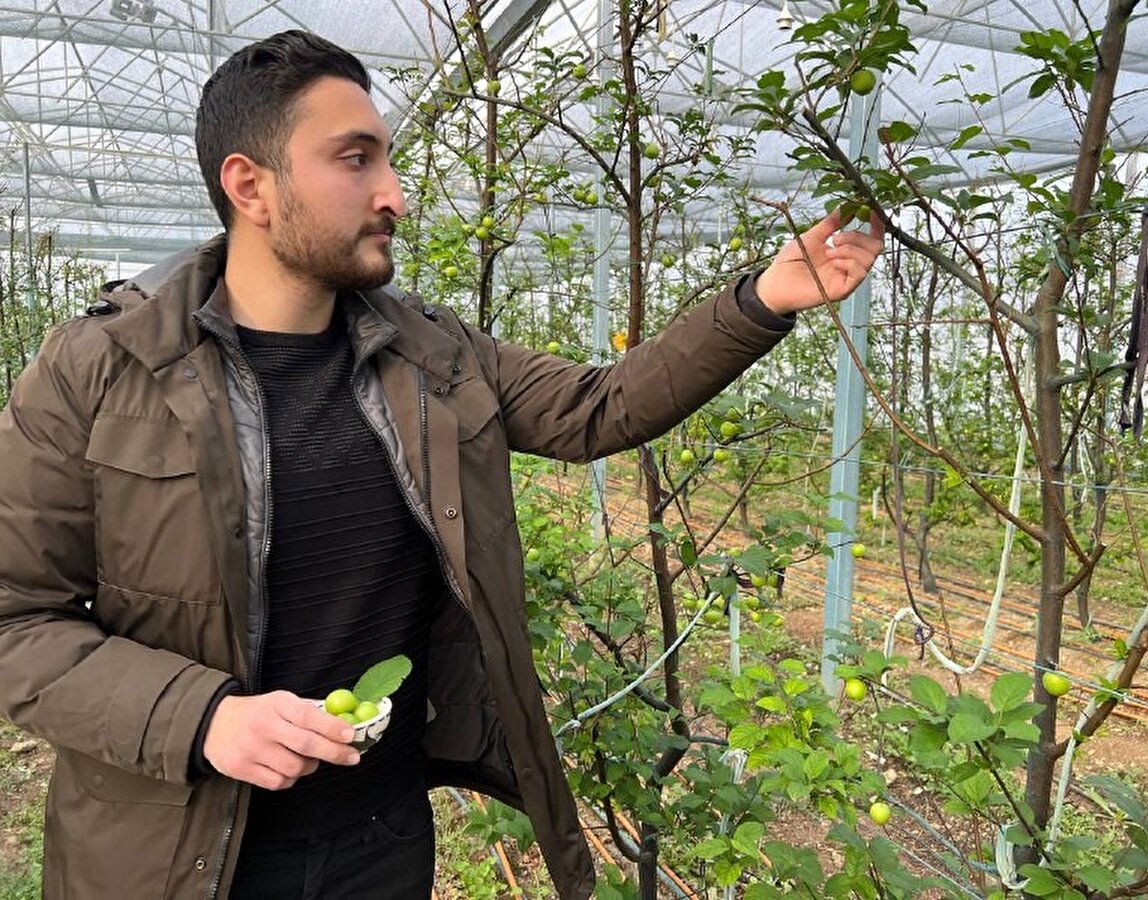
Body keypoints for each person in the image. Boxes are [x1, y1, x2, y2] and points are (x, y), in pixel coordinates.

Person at [0, 29, 883, 900]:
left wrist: (764, 301)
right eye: (356, 160)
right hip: (176, 853)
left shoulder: (431, 356)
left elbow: (597, 407)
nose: (394, 193)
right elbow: (15, 622)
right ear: (250, 186)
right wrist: (204, 718)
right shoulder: (99, 370)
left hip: (381, 840)